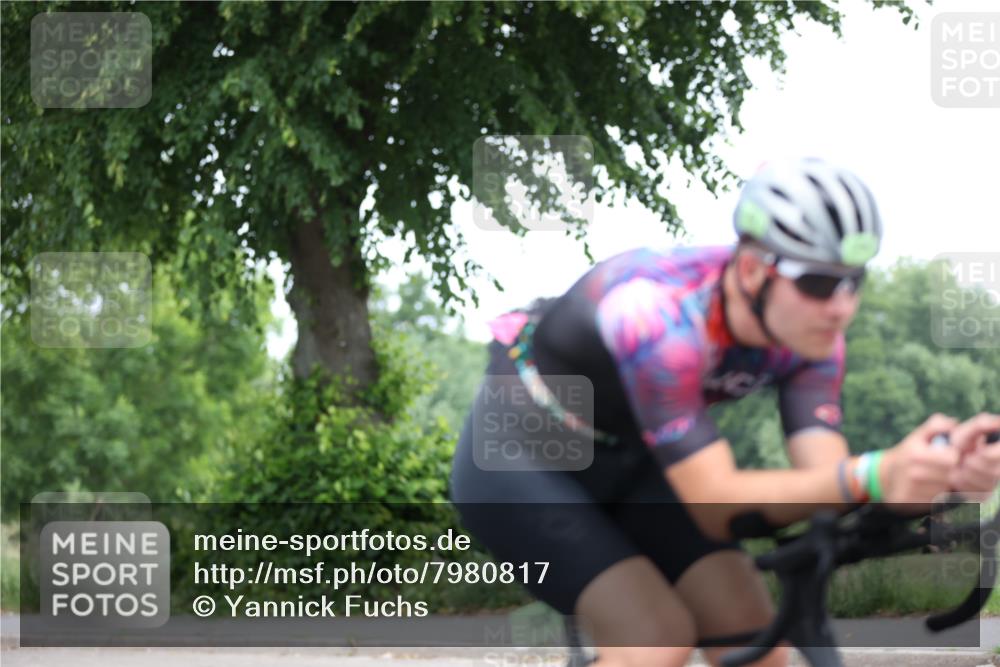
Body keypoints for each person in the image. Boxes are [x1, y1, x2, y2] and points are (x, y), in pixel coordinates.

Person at [448, 157, 1000, 667]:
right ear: (757, 270)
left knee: (757, 640)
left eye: (854, 281)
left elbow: (825, 487)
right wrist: (874, 472)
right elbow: (720, 507)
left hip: (631, 458)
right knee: (654, 640)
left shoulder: (814, 334)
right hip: (523, 456)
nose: (841, 305)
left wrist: (928, 481)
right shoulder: (658, 316)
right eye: (817, 282)